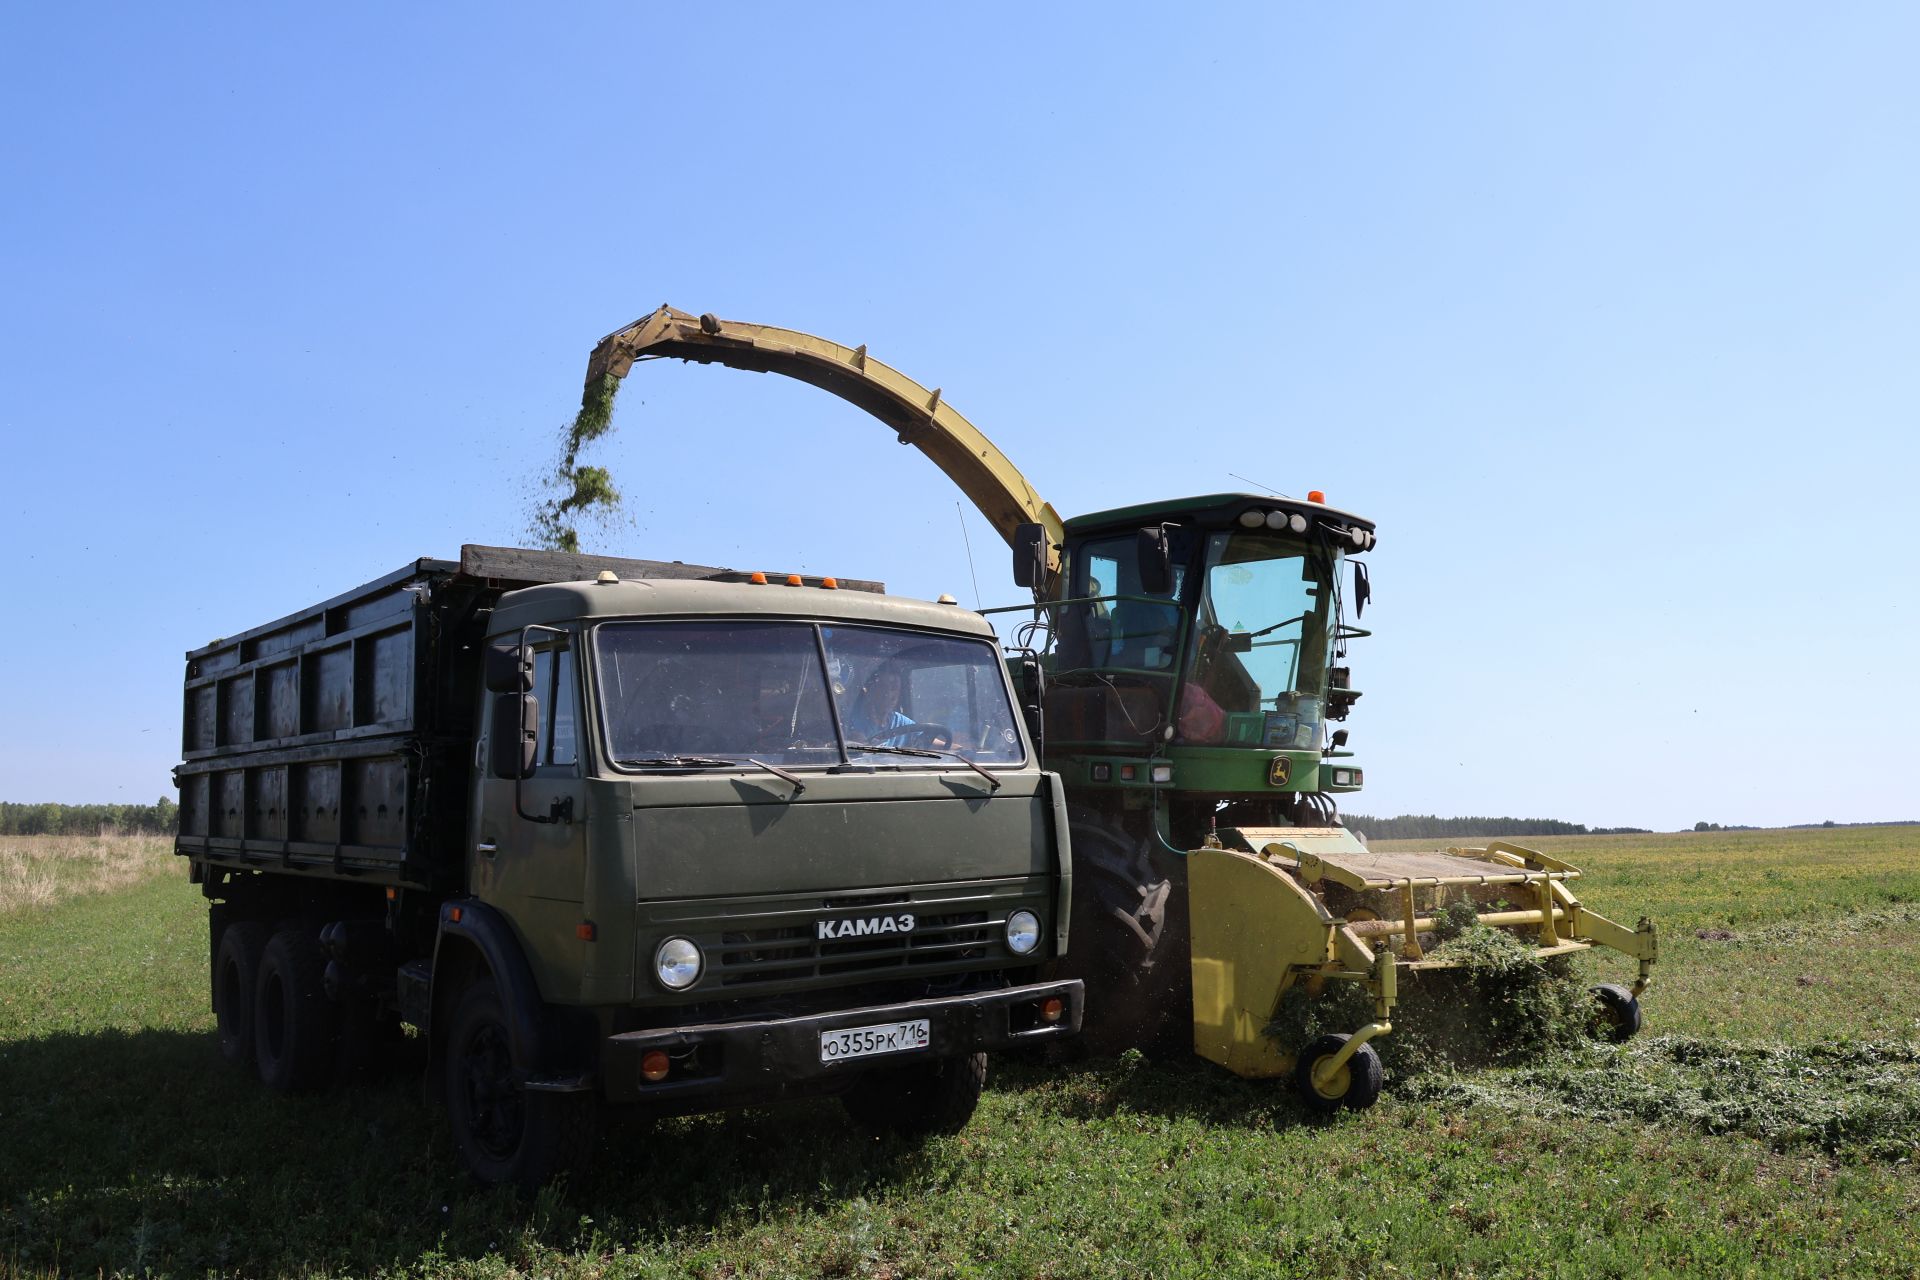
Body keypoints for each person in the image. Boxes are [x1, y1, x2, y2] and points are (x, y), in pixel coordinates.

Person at [843, 664, 914, 744]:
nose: (893, 696)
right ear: (871, 690)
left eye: (896, 688)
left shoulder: (902, 723)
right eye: (886, 687)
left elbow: (925, 736)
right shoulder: (850, 723)